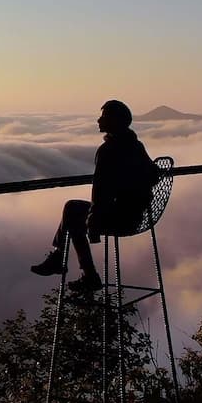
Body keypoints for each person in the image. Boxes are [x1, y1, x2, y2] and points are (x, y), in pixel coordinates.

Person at [31, 100, 159, 292]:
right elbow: (154, 175)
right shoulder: (136, 145)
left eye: (104, 116)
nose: (98, 120)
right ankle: (61, 259)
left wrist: (93, 222)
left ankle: (85, 273)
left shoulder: (108, 150)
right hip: (136, 216)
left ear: (115, 121)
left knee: (72, 210)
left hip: (120, 218)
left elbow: (100, 193)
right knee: (73, 210)